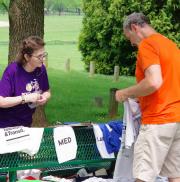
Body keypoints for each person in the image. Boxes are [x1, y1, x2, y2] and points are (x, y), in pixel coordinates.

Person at [115, 12, 180, 182]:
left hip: (158, 121)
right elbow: (167, 82)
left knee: (143, 176)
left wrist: (126, 93)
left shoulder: (147, 45)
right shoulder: (170, 45)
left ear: (134, 27)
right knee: (175, 175)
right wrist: (141, 97)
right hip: (176, 119)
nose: (130, 42)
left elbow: (154, 81)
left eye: (129, 36)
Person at [0, 35, 51, 128]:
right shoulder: (12, 71)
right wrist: (26, 98)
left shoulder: (41, 69)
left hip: (26, 125)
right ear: (27, 57)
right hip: (5, 126)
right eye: (39, 56)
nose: (43, 59)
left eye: (44, 55)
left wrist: (45, 97)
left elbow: (47, 91)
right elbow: (1, 101)